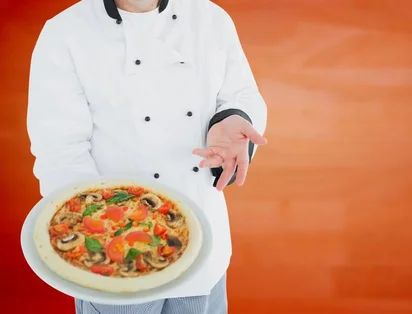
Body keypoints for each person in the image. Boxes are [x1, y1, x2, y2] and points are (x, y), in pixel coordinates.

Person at [26, 0, 268, 313]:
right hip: (114, 263)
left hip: (201, 245)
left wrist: (232, 117)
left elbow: (242, 94)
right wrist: (103, 234)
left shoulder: (210, 18)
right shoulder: (65, 31)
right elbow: (59, 147)